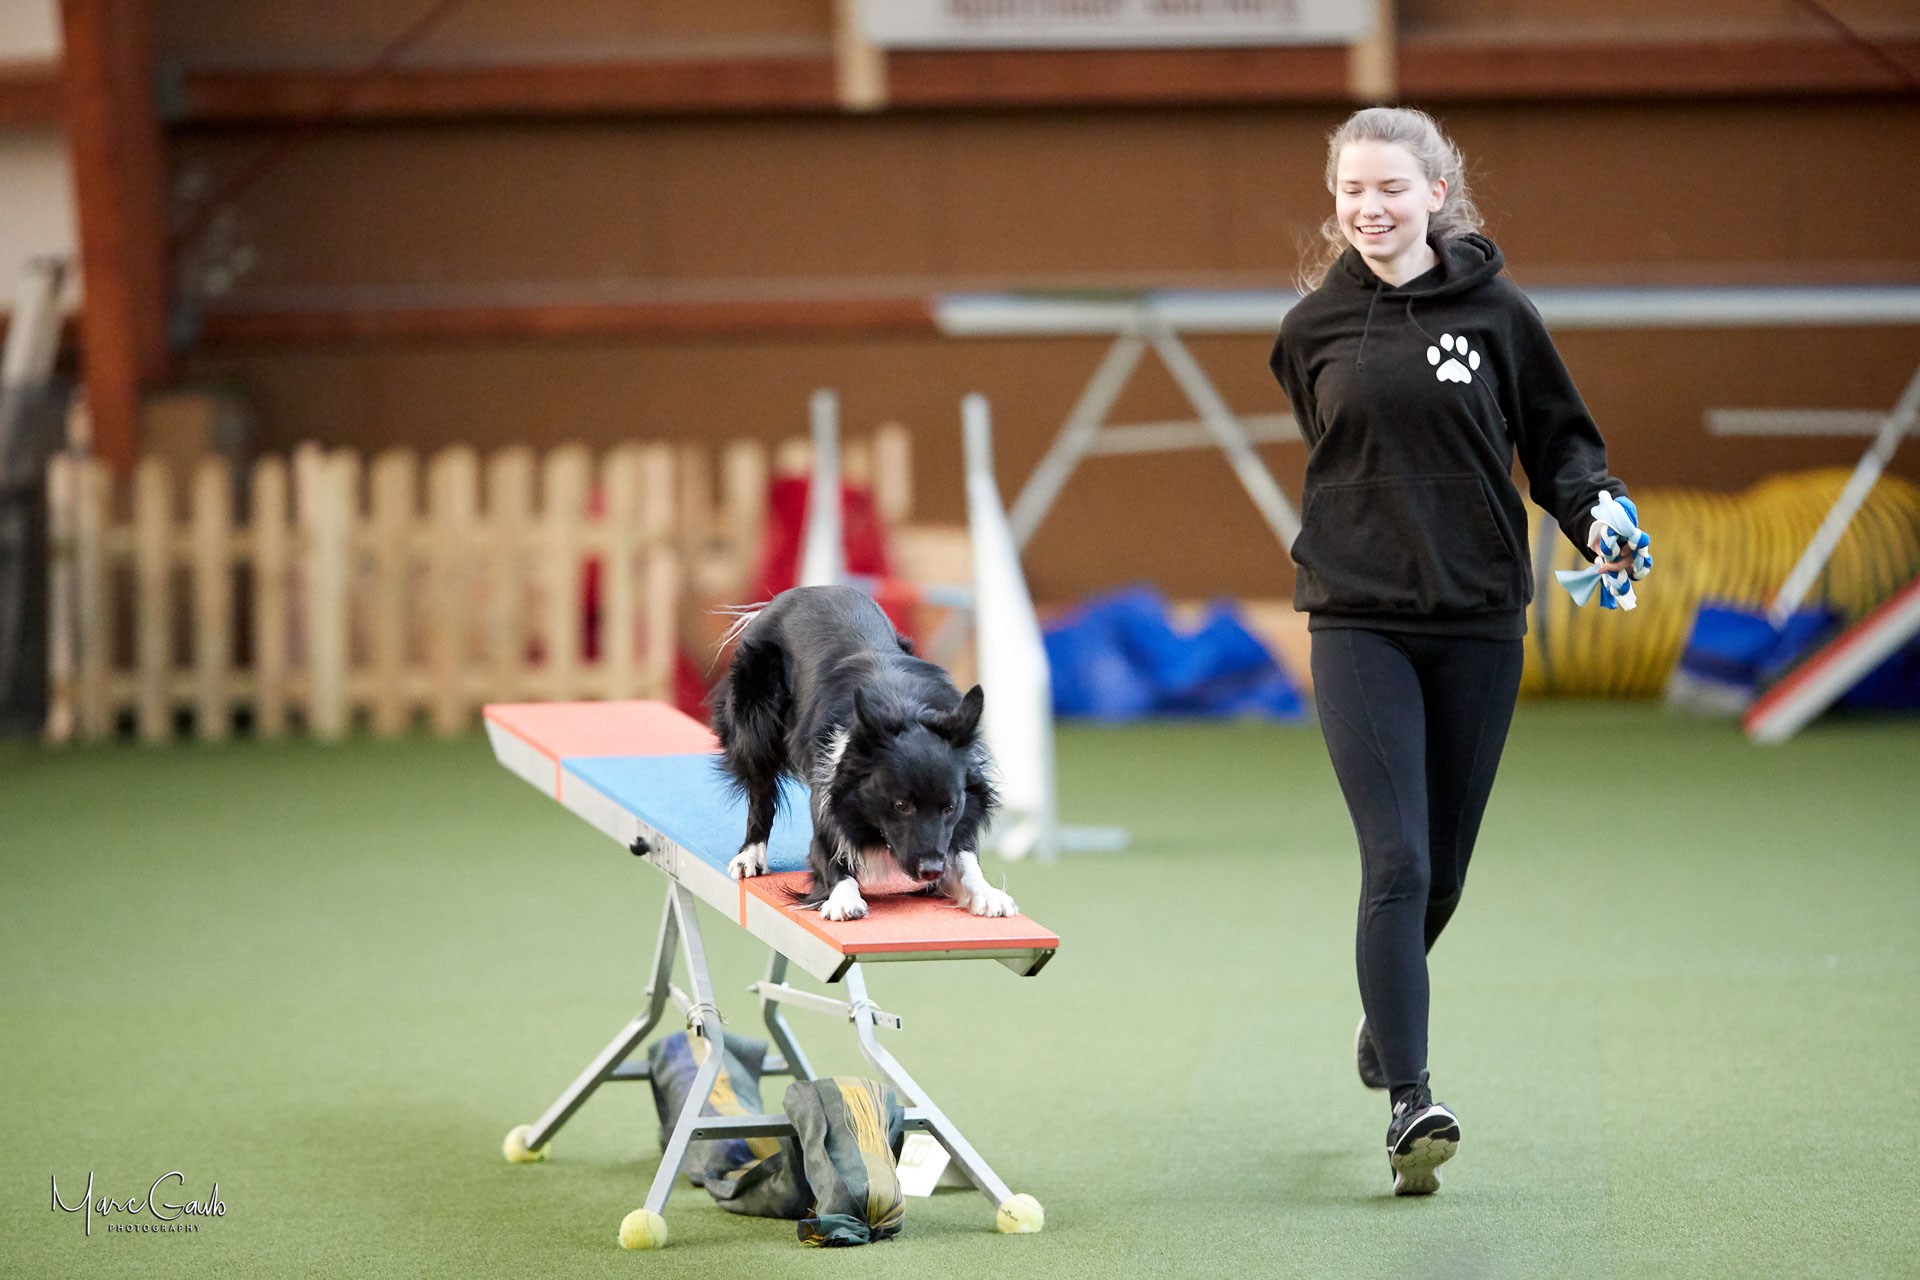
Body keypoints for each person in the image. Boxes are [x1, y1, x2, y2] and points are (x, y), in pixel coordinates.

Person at [1268, 106, 1641, 1196]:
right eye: (1351, 191)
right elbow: (1339, 452)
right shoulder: (1308, 331)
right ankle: (1411, 1101)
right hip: (1357, 619)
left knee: (1445, 872)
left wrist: (1600, 514)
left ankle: (1384, 1016)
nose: (1369, 208)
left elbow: (1562, 446)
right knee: (1397, 859)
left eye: (1391, 188)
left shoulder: (1500, 313)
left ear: (1437, 193)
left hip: (1479, 616)